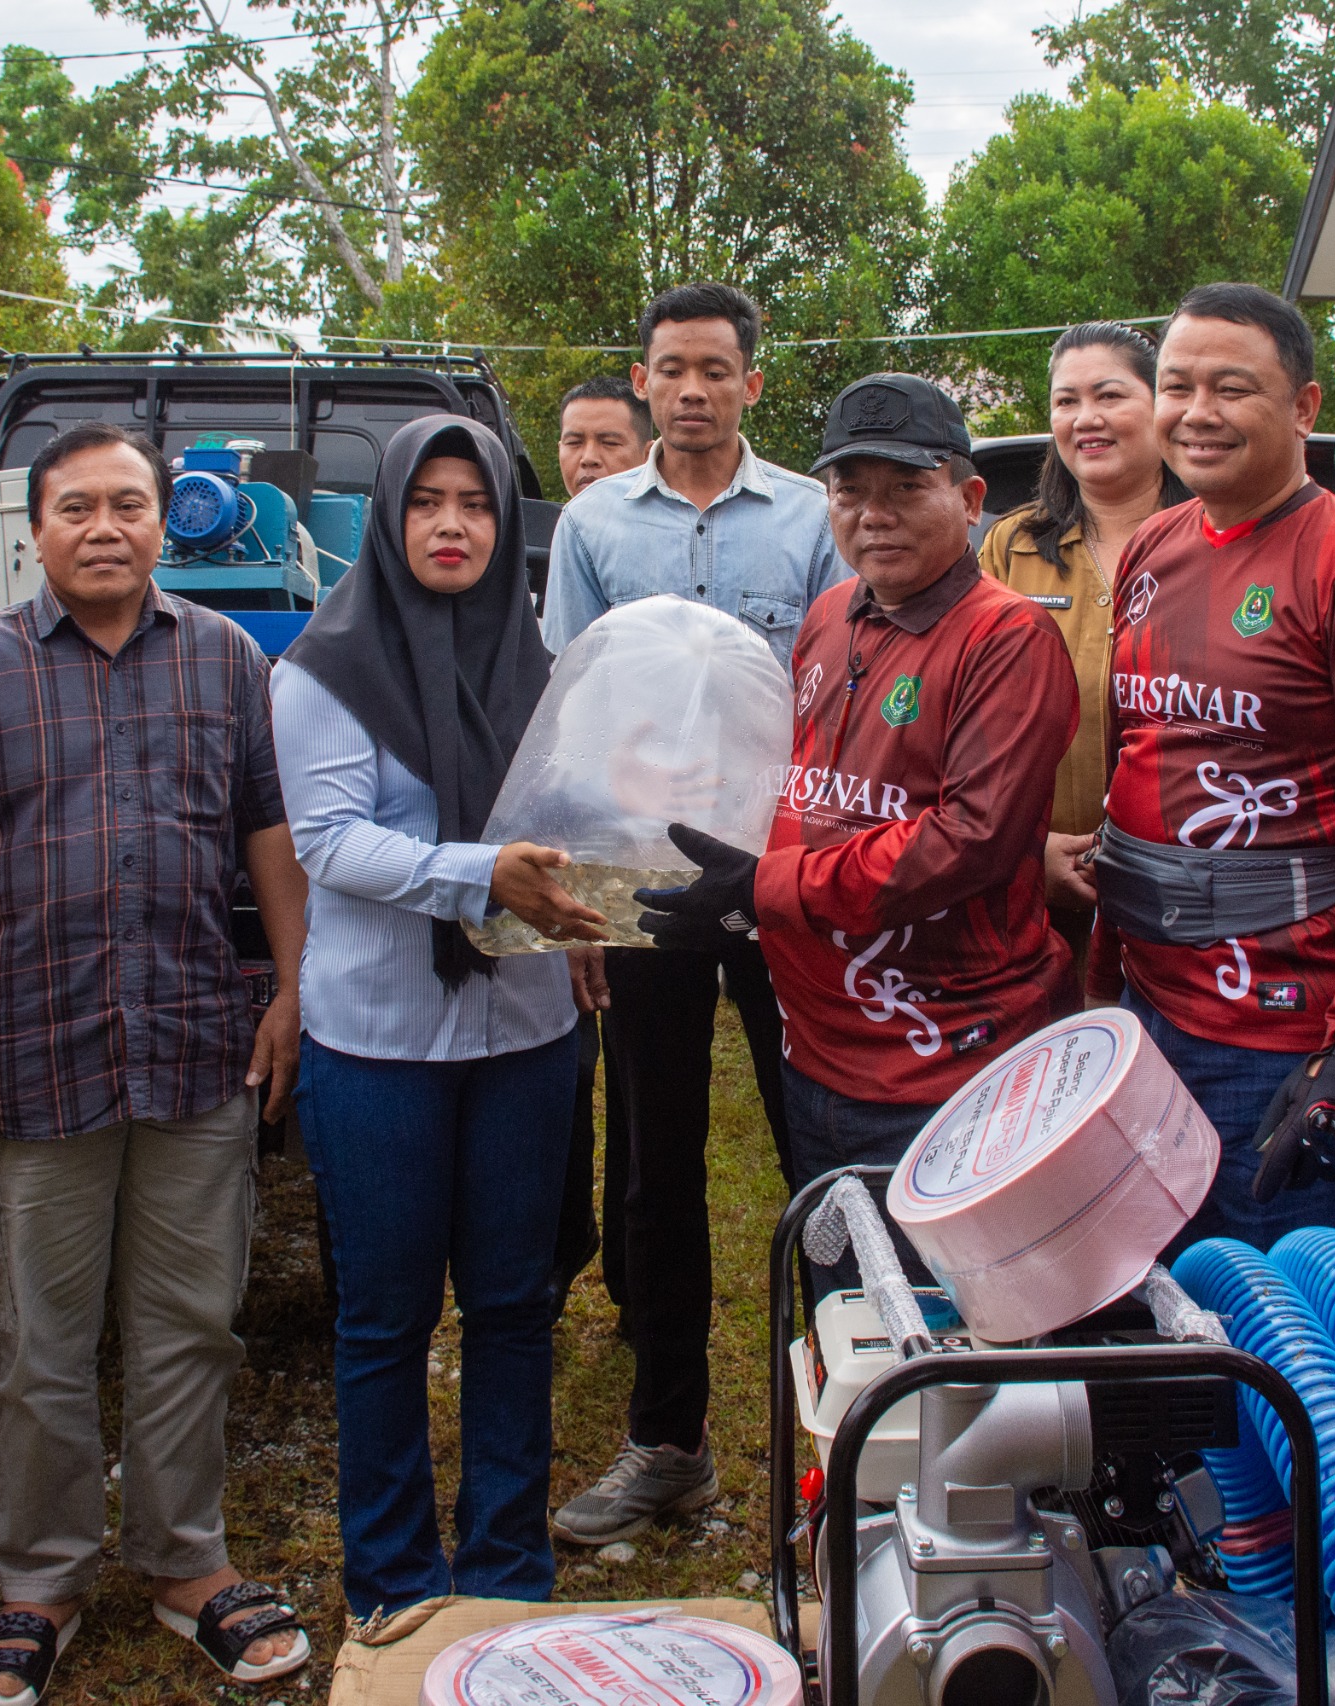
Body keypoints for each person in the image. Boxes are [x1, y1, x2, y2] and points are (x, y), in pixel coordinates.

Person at [0, 419, 313, 1701]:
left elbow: (268, 834)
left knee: (192, 1323)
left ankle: (187, 1564)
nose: (105, 527)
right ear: (37, 527)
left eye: (129, 504)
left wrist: (293, 987)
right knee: (42, 1341)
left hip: (191, 1047)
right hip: (27, 1054)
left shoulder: (226, 659)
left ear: (166, 519)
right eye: (78, 508)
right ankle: (39, 1582)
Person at [639, 372, 1076, 1293]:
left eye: (905, 488)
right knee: (841, 1322)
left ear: (968, 499)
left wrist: (757, 890)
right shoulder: (832, 618)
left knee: (943, 1338)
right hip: (819, 1056)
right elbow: (796, 785)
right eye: (849, 490)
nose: (872, 514)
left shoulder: (1008, 639)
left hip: (944, 1064)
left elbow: (969, 839)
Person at [275, 413, 605, 1618]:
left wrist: (591, 908)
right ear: (389, 516)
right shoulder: (325, 665)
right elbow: (330, 841)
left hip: (522, 1032)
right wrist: (483, 875)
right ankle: (397, 1578)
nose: (453, 524)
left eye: (475, 503)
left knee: (515, 1305)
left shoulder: (538, 665)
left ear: (507, 523)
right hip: (379, 1043)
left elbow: (573, 812)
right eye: (427, 502)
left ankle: (509, 1566)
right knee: (385, 1317)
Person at [540, 282, 843, 1545]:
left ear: (751, 384)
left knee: (818, 1154)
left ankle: (856, 1435)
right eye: (672, 369)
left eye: (717, 369)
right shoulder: (593, 523)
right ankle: (669, 1439)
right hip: (645, 885)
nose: (694, 390)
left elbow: (834, 700)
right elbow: (568, 707)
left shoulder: (816, 519)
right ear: (646, 378)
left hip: (781, 883)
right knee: (655, 1166)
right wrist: (578, 906)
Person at [1086, 283, 1335, 1249]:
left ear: (1304, 408)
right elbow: (1133, 764)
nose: (1197, 413)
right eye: (1177, 385)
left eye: (1232, 388)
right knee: (1169, 1318)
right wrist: (1106, 982)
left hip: (1288, 1042)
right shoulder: (1156, 548)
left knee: (1289, 1349)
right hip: (1151, 1018)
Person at [979, 323, 1185, 956]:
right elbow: (971, 715)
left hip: (1189, 883)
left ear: (1160, 406)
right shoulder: (1012, 546)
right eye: (1066, 401)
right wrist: (1024, 851)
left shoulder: (1216, 539)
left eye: (1110, 395)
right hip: (1039, 886)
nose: (1085, 418)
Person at [546, 376, 651, 1321]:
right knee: (576, 1061)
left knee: (638, 1078)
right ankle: (564, 1250)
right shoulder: (544, 552)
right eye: (572, 442)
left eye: (606, 443)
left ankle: (630, 1269)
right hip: (585, 851)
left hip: (676, 852)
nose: (586, 461)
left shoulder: (635, 543)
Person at [556, 375, 650, 500]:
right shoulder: (531, 518)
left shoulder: (674, 517)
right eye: (574, 443)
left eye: (610, 443)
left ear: (648, 456)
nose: (588, 458)